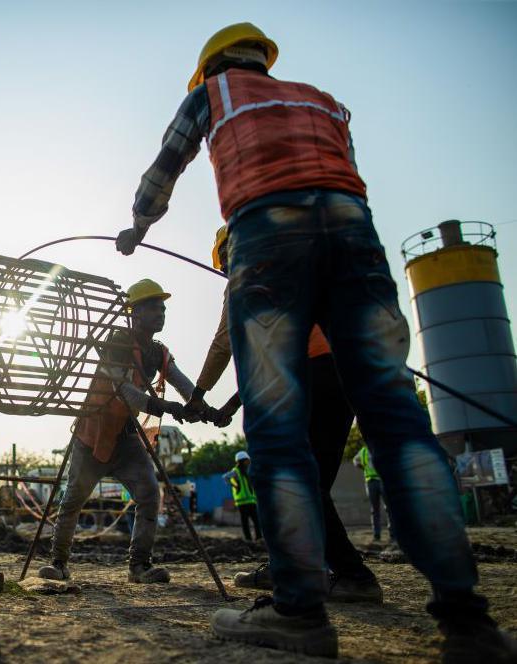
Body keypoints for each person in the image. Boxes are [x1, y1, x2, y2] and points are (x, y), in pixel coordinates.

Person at [117, 22, 516, 661]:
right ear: (265, 61)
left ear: (212, 67)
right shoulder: (324, 101)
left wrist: (137, 226)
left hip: (264, 230)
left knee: (277, 436)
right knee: (400, 424)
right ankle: (469, 620)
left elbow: (163, 171)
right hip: (355, 234)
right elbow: (340, 179)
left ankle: (299, 609)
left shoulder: (213, 94)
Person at [200, 227, 383, 603]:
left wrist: (198, 394)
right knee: (308, 483)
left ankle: (352, 575)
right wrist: (231, 406)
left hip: (312, 375)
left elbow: (225, 342)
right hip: (344, 375)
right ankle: (289, 566)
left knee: (298, 483)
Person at [38, 279, 196, 584]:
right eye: (153, 306)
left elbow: (181, 382)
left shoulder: (158, 352)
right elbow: (126, 393)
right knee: (72, 500)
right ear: (135, 313)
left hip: (125, 438)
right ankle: (58, 563)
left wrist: (201, 404)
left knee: (150, 493)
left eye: (162, 307)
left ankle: (140, 566)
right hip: (92, 435)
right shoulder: (117, 343)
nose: (160, 312)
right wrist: (169, 408)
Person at [354, 445, 395, 543]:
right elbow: (355, 461)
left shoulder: (382, 446)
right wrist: (362, 467)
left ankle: (393, 533)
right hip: (370, 481)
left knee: (389, 507)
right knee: (375, 510)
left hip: (383, 480)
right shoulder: (363, 450)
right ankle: (377, 534)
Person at [222, 451, 260, 541]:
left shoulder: (248, 471)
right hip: (242, 502)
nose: (249, 462)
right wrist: (234, 485)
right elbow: (225, 477)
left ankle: (259, 538)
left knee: (256, 521)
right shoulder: (235, 472)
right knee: (245, 522)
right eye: (247, 460)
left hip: (251, 500)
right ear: (241, 461)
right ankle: (248, 539)